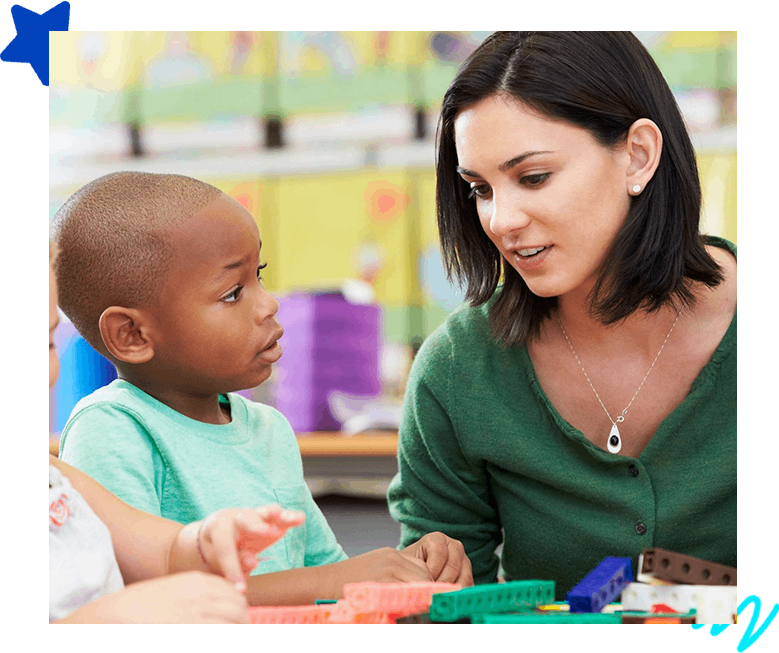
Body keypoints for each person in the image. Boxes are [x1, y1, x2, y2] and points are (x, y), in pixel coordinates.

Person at [387, 31, 736, 598]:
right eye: (479, 188)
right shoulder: (459, 369)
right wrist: (432, 574)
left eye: (533, 177)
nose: (500, 220)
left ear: (639, 155)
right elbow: (446, 598)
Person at [51, 172, 473, 609]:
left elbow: (326, 579)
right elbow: (139, 600)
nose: (269, 304)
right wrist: (340, 581)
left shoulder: (268, 428)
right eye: (233, 293)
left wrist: (409, 572)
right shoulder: (112, 428)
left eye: (260, 275)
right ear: (132, 335)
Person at [50, 241, 307, 623]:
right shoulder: (108, 425)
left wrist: (206, 540)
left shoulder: (59, 480)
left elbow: (166, 551)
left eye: (47, 341)